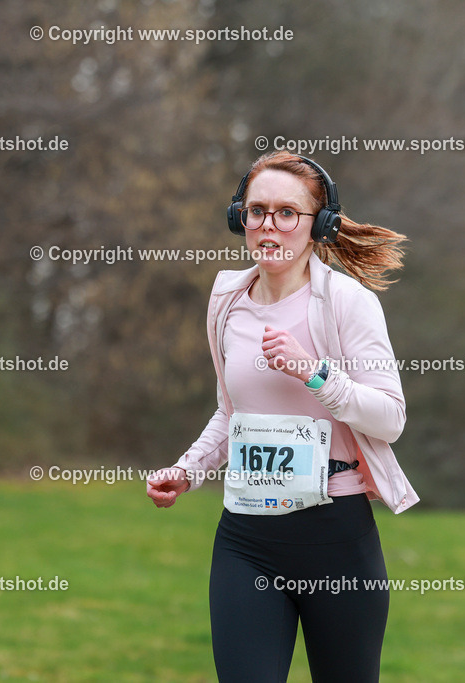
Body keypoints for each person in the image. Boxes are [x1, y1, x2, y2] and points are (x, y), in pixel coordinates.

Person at [146, 151, 418, 682]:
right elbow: (232, 411)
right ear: (239, 219)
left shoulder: (347, 302)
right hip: (247, 541)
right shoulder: (227, 299)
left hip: (336, 538)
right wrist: (188, 470)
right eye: (257, 210)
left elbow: (390, 419)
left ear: (319, 224)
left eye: (286, 212)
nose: (269, 224)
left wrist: (316, 374)